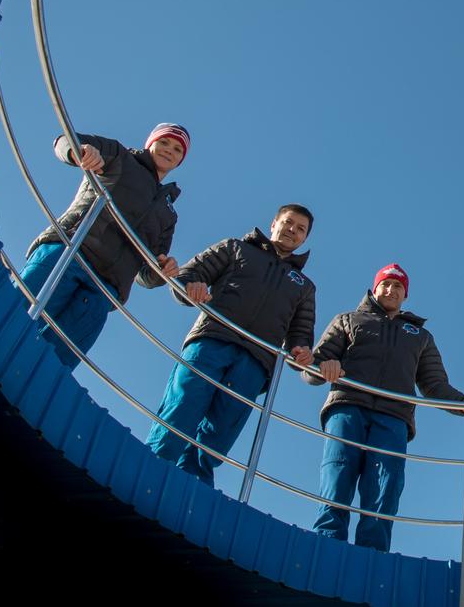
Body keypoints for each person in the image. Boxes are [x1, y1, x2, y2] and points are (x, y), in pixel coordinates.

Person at [145, 204, 317, 486]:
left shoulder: (304, 286)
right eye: (288, 223)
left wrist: (301, 350)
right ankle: (150, 468)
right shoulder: (236, 248)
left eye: (300, 230)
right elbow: (188, 276)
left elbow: (300, 332)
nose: (292, 231)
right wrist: (192, 288)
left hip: (256, 362)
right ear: (274, 223)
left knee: (221, 429)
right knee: (183, 407)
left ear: (304, 239)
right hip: (212, 340)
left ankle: (194, 486)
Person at [307, 263, 464, 551]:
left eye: (398, 286)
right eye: (386, 284)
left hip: (393, 418)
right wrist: (325, 366)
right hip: (347, 406)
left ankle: (373, 553)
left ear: (405, 295)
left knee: (385, 484)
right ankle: (326, 544)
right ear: (375, 287)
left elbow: (435, 386)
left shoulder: (420, 336)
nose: (391, 290)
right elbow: (314, 367)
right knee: (337, 473)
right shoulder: (347, 319)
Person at [21, 123, 189, 367]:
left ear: (180, 160)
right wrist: (79, 152)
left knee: (56, 361)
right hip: (69, 253)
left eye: (177, 149)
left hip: (104, 289)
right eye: (164, 142)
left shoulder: (168, 213)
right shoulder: (120, 156)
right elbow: (65, 140)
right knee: (14, 315)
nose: (169, 150)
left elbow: (145, 274)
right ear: (150, 142)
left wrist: (161, 272)